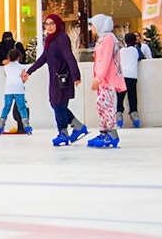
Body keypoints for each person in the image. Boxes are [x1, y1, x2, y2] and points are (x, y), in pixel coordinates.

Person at [23, 14, 89, 146]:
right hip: (56, 78)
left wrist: (76, 76)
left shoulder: (61, 38)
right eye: (47, 24)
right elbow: (43, 58)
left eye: (52, 23)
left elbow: (69, 57)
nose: (49, 27)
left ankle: (63, 132)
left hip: (63, 78)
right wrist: (29, 71)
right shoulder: (51, 40)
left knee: (58, 104)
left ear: (58, 24)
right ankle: (78, 127)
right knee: (56, 104)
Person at [86, 14, 126, 148]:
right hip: (103, 79)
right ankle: (104, 132)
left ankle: (112, 134)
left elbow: (105, 60)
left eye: (92, 25)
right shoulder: (102, 39)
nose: (91, 28)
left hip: (107, 79)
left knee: (106, 106)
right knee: (101, 105)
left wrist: (98, 78)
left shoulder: (108, 39)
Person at [0, 48, 31, 134]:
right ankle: (26, 125)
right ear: (18, 57)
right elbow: (23, 79)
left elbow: (6, 76)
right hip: (19, 89)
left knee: (6, 107)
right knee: (22, 107)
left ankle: (1, 124)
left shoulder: (6, 67)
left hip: (8, 89)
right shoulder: (22, 67)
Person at [116, 32, 144, 129]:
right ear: (134, 41)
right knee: (132, 97)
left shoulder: (121, 50)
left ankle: (119, 116)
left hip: (121, 77)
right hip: (132, 76)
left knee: (120, 98)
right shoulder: (136, 50)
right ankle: (134, 116)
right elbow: (142, 57)